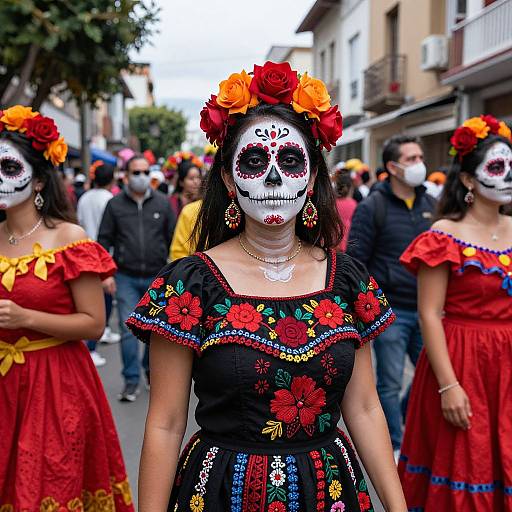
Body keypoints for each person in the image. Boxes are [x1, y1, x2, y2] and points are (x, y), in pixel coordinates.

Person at [126, 62, 407, 511]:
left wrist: (398, 507)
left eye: (291, 161)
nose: (274, 179)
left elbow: (366, 409)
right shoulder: (189, 285)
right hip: (221, 493)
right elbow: (165, 422)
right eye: (254, 162)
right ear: (227, 179)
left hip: (327, 491)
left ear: (313, 178)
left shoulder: (347, 279)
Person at [0, 105, 133, 509]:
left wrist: (27, 319)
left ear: (39, 179)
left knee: (50, 488)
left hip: (56, 383)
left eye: (8, 167)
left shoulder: (68, 238)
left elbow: (94, 324)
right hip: (5, 385)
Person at [398, 115, 512, 511]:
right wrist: (449, 386)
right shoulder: (444, 234)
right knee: (467, 460)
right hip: (460, 361)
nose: (508, 175)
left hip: (507, 364)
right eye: (497, 167)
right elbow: (429, 314)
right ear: (467, 180)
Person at [347, 134, 436, 458]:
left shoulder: (431, 205)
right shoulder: (373, 207)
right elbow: (356, 262)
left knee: (433, 375)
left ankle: (401, 420)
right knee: (388, 381)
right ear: (393, 167)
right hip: (391, 312)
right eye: (411, 159)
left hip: (428, 310)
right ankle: (396, 447)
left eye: (419, 157)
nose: (419, 165)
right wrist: (369, 310)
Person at [98, 154, 176, 402]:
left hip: (157, 277)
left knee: (154, 331)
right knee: (127, 330)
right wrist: (106, 273)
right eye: (136, 172)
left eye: (145, 172)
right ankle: (131, 380)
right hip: (125, 276)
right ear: (126, 175)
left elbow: (173, 238)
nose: (141, 177)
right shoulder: (115, 205)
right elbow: (104, 240)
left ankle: (149, 370)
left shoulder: (163, 204)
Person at [77, 160, 120, 367]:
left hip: (86, 250)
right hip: (104, 253)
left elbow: (80, 223)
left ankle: (101, 334)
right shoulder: (110, 199)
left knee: (95, 298)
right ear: (111, 179)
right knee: (102, 300)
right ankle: (91, 347)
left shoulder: (84, 198)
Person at [334, 168, 357, 252]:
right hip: (348, 244)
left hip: (333, 244)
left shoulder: (332, 203)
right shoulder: (354, 204)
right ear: (350, 188)